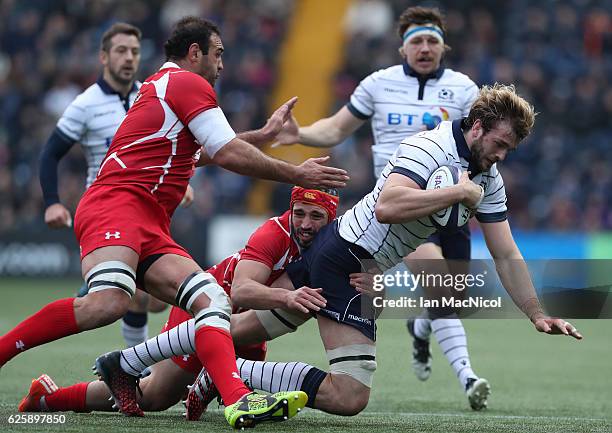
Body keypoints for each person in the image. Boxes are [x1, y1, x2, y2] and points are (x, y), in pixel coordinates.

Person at [1, 16, 349, 429]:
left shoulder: (164, 88)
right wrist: (296, 173)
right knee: (109, 303)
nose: (222, 65)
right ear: (195, 52)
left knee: (212, 301)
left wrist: (262, 135)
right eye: (218, 54)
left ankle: (238, 400)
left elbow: (197, 154)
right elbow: (224, 154)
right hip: (117, 205)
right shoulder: (186, 83)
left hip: (147, 219)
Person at [184, 84, 582, 418]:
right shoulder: (431, 146)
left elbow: (506, 252)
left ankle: (129, 362)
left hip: (347, 252)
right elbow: (387, 207)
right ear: (477, 127)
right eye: (500, 144)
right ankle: (230, 374)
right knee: (350, 396)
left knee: (237, 329)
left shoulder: (488, 179)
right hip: (346, 260)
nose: (501, 156)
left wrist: (536, 313)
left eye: (509, 150)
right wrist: (457, 193)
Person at [274, 6, 490, 408]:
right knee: (439, 282)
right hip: (405, 205)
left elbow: (482, 141)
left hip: (453, 202)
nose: (425, 48)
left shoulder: (465, 90)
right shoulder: (379, 83)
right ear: (402, 48)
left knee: (453, 299)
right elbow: (337, 128)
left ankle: (421, 328)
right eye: (417, 42)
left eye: (432, 41)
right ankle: (468, 377)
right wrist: (300, 133)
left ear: (443, 47)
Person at [18, 187, 338, 419]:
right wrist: (288, 297)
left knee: (240, 384)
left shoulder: (331, 243)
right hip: (207, 307)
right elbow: (241, 291)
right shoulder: (275, 233)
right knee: (156, 395)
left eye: (315, 216)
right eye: (299, 213)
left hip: (247, 323)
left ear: (331, 217)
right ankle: (48, 399)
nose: (305, 223)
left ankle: (207, 381)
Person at [39, 22, 175, 350]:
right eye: (120, 51)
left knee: (157, 301)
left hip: (146, 207)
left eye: (134, 51)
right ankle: (133, 369)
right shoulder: (86, 104)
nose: (129, 58)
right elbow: (50, 153)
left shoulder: (149, 95)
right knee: (138, 296)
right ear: (103, 57)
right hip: (106, 212)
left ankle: (103, 285)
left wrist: (178, 183)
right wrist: (53, 202)